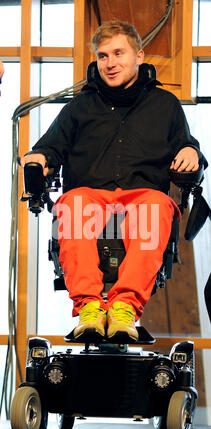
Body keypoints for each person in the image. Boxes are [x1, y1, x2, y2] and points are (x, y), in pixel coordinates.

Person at [20, 21, 207, 342]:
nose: (110, 62)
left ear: (139, 56)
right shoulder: (79, 107)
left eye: (118, 53)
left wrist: (191, 150)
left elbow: (188, 148)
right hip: (90, 196)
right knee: (73, 203)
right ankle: (90, 306)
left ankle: (124, 307)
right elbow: (48, 148)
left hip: (143, 196)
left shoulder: (165, 105)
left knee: (156, 205)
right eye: (103, 56)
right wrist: (38, 158)